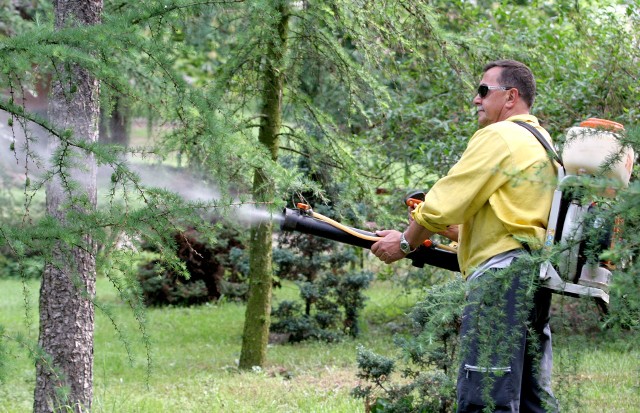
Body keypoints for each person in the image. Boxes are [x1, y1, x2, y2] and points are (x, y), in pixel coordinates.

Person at [371, 60, 559, 412]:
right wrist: (447, 235)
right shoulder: (542, 143)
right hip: (533, 281)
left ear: (510, 96)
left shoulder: (501, 135)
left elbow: (441, 205)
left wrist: (404, 243)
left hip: (500, 283)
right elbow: (508, 219)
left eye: (484, 91)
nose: (476, 99)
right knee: (532, 400)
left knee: (484, 398)